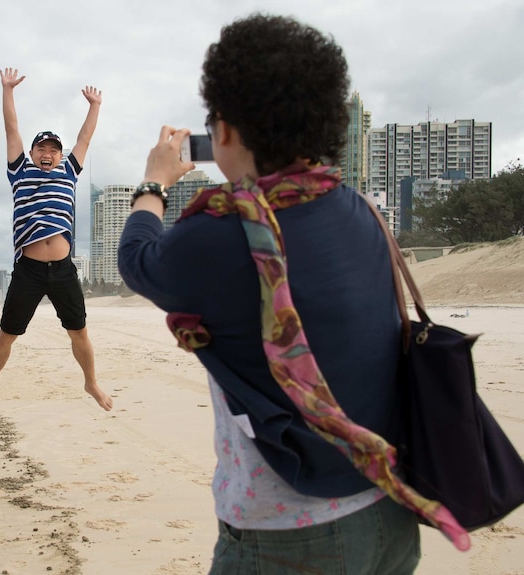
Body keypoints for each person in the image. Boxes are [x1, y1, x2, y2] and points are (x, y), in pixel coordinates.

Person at [117, 15, 467, 574]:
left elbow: (136, 260)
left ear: (225, 132)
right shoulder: (360, 209)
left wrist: (154, 183)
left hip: (288, 532)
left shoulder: (220, 234)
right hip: (391, 504)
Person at [0, 68, 112, 416]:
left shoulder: (69, 171)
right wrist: (7, 90)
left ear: (60, 154)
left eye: (54, 148)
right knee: (7, 334)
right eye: (42, 148)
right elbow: (11, 129)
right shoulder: (19, 170)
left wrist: (94, 106)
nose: (48, 152)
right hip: (29, 270)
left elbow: (84, 138)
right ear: (34, 152)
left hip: (64, 270)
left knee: (79, 332)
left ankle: (91, 381)